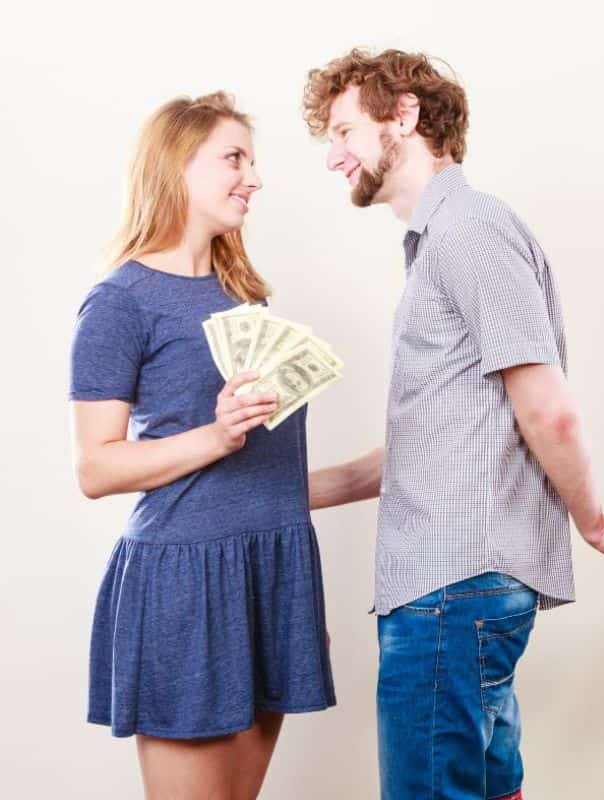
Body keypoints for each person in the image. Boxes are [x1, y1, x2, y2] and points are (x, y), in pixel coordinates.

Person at [301, 49, 604, 800]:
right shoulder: (445, 242)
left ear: (404, 115)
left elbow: (548, 408)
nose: (333, 156)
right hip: (457, 591)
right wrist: (280, 492)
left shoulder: (468, 230)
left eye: (343, 131)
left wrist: (592, 524)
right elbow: (432, 445)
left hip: (452, 589)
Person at [69, 92, 335, 799]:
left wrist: (391, 469)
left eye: (253, 160)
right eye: (234, 159)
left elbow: (262, 474)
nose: (254, 178)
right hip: (186, 582)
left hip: (270, 573)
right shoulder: (119, 302)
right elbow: (96, 467)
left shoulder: (243, 299)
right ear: (176, 166)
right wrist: (216, 434)